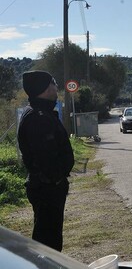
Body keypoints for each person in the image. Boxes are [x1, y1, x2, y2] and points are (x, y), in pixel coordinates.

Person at [17, 70, 74, 251]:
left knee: (50, 237)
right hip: (47, 188)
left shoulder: (42, 112)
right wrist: (56, 179)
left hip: (48, 186)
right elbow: (44, 157)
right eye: (53, 82)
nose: (56, 87)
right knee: (47, 243)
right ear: (44, 88)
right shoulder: (37, 117)